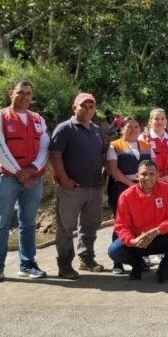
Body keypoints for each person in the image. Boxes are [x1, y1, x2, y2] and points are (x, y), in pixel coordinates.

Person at [0, 80, 50, 284]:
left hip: (32, 178)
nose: (25, 97)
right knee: (1, 223)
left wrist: (32, 171)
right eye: (20, 93)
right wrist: (20, 173)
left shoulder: (38, 119)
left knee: (28, 223)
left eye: (29, 93)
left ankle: (27, 264)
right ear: (11, 93)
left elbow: (44, 147)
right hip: (5, 178)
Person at [49, 92, 107, 279]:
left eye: (91, 106)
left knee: (90, 225)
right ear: (75, 108)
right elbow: (55, 155)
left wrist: (103, 174)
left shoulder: (96, 130)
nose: (88, 110)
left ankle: (86, 258)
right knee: (66, 226)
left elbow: (102, 154)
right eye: (84, 106)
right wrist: (63, 178)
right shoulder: (64, 128)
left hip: (93, 187)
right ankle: (65, 264)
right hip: (71, 188)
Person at [107, 160, 168, 283]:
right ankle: (137, 266)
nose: (148, 177)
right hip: (138, 240)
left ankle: (163, 268)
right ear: (137, 176)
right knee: (114, 251)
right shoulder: (126, 196)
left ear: (157, 175)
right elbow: (121, 226)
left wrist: (157, 230)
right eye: (143, 174)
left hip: (160, 236)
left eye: (151, 174)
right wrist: (132, 241)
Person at [107, 116, 151, 274]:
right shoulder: (114, 146)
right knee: (121, 223)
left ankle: (139, 257)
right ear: (121, 129)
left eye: (136, 126)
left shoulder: (146, 145)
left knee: (141, 223)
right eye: (129, 127)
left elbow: (151, 167)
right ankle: (117, 262)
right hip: (121, 187)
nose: (133, 129)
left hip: (144, 188)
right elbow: (114, 170)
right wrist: (131, 184)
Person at [140, 108, 168, 183]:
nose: (160, 122)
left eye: (162, 119)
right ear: (150, 121)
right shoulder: (143, 138)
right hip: (150, 182)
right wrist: (156, 177)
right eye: (156, 119)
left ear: (166, 121)